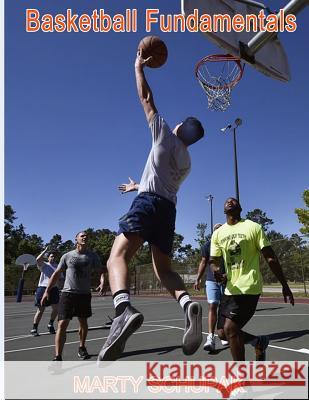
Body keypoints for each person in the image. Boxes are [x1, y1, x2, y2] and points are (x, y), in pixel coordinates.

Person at [97, 49, 205, 362]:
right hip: (168, 210)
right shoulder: (187, 162)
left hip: (147, 203)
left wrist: (138, 66)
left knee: (116, 257)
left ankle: (122, 309)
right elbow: (161, 181)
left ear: (179, 127)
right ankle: (187, 304)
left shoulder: (163, 136)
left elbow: (146, 97)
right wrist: (137, 185)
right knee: (165, 270)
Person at [209, 197, 294, 361]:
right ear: (223, 210)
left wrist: (285, 285)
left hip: (249, 286)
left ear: (240, 208)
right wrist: (216, 270)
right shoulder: (218, 234)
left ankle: (242, 378)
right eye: (227, 201)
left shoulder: (253, 227)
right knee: (222, 332)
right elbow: (213, 261)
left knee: (231, 329)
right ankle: (258, 342)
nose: (230, 201)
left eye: (234, 200)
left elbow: (270, 257)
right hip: (230, 289)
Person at [41, 231, 106, 361]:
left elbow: (101, 271)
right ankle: (58, 356)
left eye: (87, 236)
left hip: (84, 294)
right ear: (76, 239)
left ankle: (82, 347)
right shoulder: (67, 256)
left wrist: (103, 281)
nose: (85, 237)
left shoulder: (93, 256)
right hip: (68, 294)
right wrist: (47, 290)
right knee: (62, 324)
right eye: (82, 235)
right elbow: (57, 273)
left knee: (83, 323)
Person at [194, 223, 229, 351]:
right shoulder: (207, 245)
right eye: (217, 230)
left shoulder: (228, 243)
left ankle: (223, 335)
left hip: (227, 280)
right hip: (211, 280)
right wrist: (197, 278)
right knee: (213, 305)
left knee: (225, 308)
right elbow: (203, 262)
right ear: (214, 233)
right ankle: (210, 337)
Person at [31, 246, 61, 336]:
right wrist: (45, 251)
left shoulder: (59, 267)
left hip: (54, 289)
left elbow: (61, 279)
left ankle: (50, 324)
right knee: (41, 310)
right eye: (51, 256)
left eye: (54, 256)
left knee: (56, 309)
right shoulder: (44, 265)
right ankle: (34, 328)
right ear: (48, 257)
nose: (53, 258)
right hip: (43, 288)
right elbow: (37, 259)